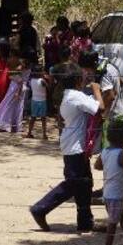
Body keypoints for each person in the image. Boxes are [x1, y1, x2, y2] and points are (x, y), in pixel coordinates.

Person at [29, 66, 103, 233]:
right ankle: (40, 208)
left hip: (74, 145)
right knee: (74, 183)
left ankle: (85, 222)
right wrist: (97, 90)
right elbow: (100, 108)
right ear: (77, 81)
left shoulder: (70, 95)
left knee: (85, 184)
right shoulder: (76, 96)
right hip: (75, 146)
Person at [0, 50, 28, 133]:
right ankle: (4, 123)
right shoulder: (20, 63)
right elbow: (12, 74)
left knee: (11, 104)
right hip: (15, 85)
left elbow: (11, 74)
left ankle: (8, 123)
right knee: (11, 104)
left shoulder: (20, 63)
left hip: (16, 85)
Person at [25, 64, 49, 140]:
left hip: (34, 100)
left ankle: (29, 133)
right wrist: (48, 79)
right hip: (42, 101)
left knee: (33, 118)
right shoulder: (42, 81)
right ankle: (44, 134)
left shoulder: (31, 80)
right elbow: (49, 88)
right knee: (43, 118)